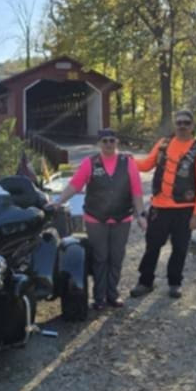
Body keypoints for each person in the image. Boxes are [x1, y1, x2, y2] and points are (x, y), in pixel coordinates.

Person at [53, 128, 146, 310]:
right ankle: (99, 297)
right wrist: (58, 202)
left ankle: (113, 294)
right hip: (96, 219)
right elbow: (74, 185)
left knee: (116, 257)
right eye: (105, 141)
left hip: (122, 218)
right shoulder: (90, 163)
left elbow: (136, 191)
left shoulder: (128, 163)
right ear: (99, 143)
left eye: (112, 140)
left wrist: (141, 215)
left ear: (117, 142)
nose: (108, 144)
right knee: (100, 257)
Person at [130, 109, 196, 299]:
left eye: (186, 123)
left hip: (184, 210)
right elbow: (146, 165)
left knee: (180, 248)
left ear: (192, 126)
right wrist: (126, 160)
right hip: (159, 208)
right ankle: (145, 282)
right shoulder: (163, 144)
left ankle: (175, 283)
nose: (182, 126)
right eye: (179, 122)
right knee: (152, 246)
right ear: (175, 125)